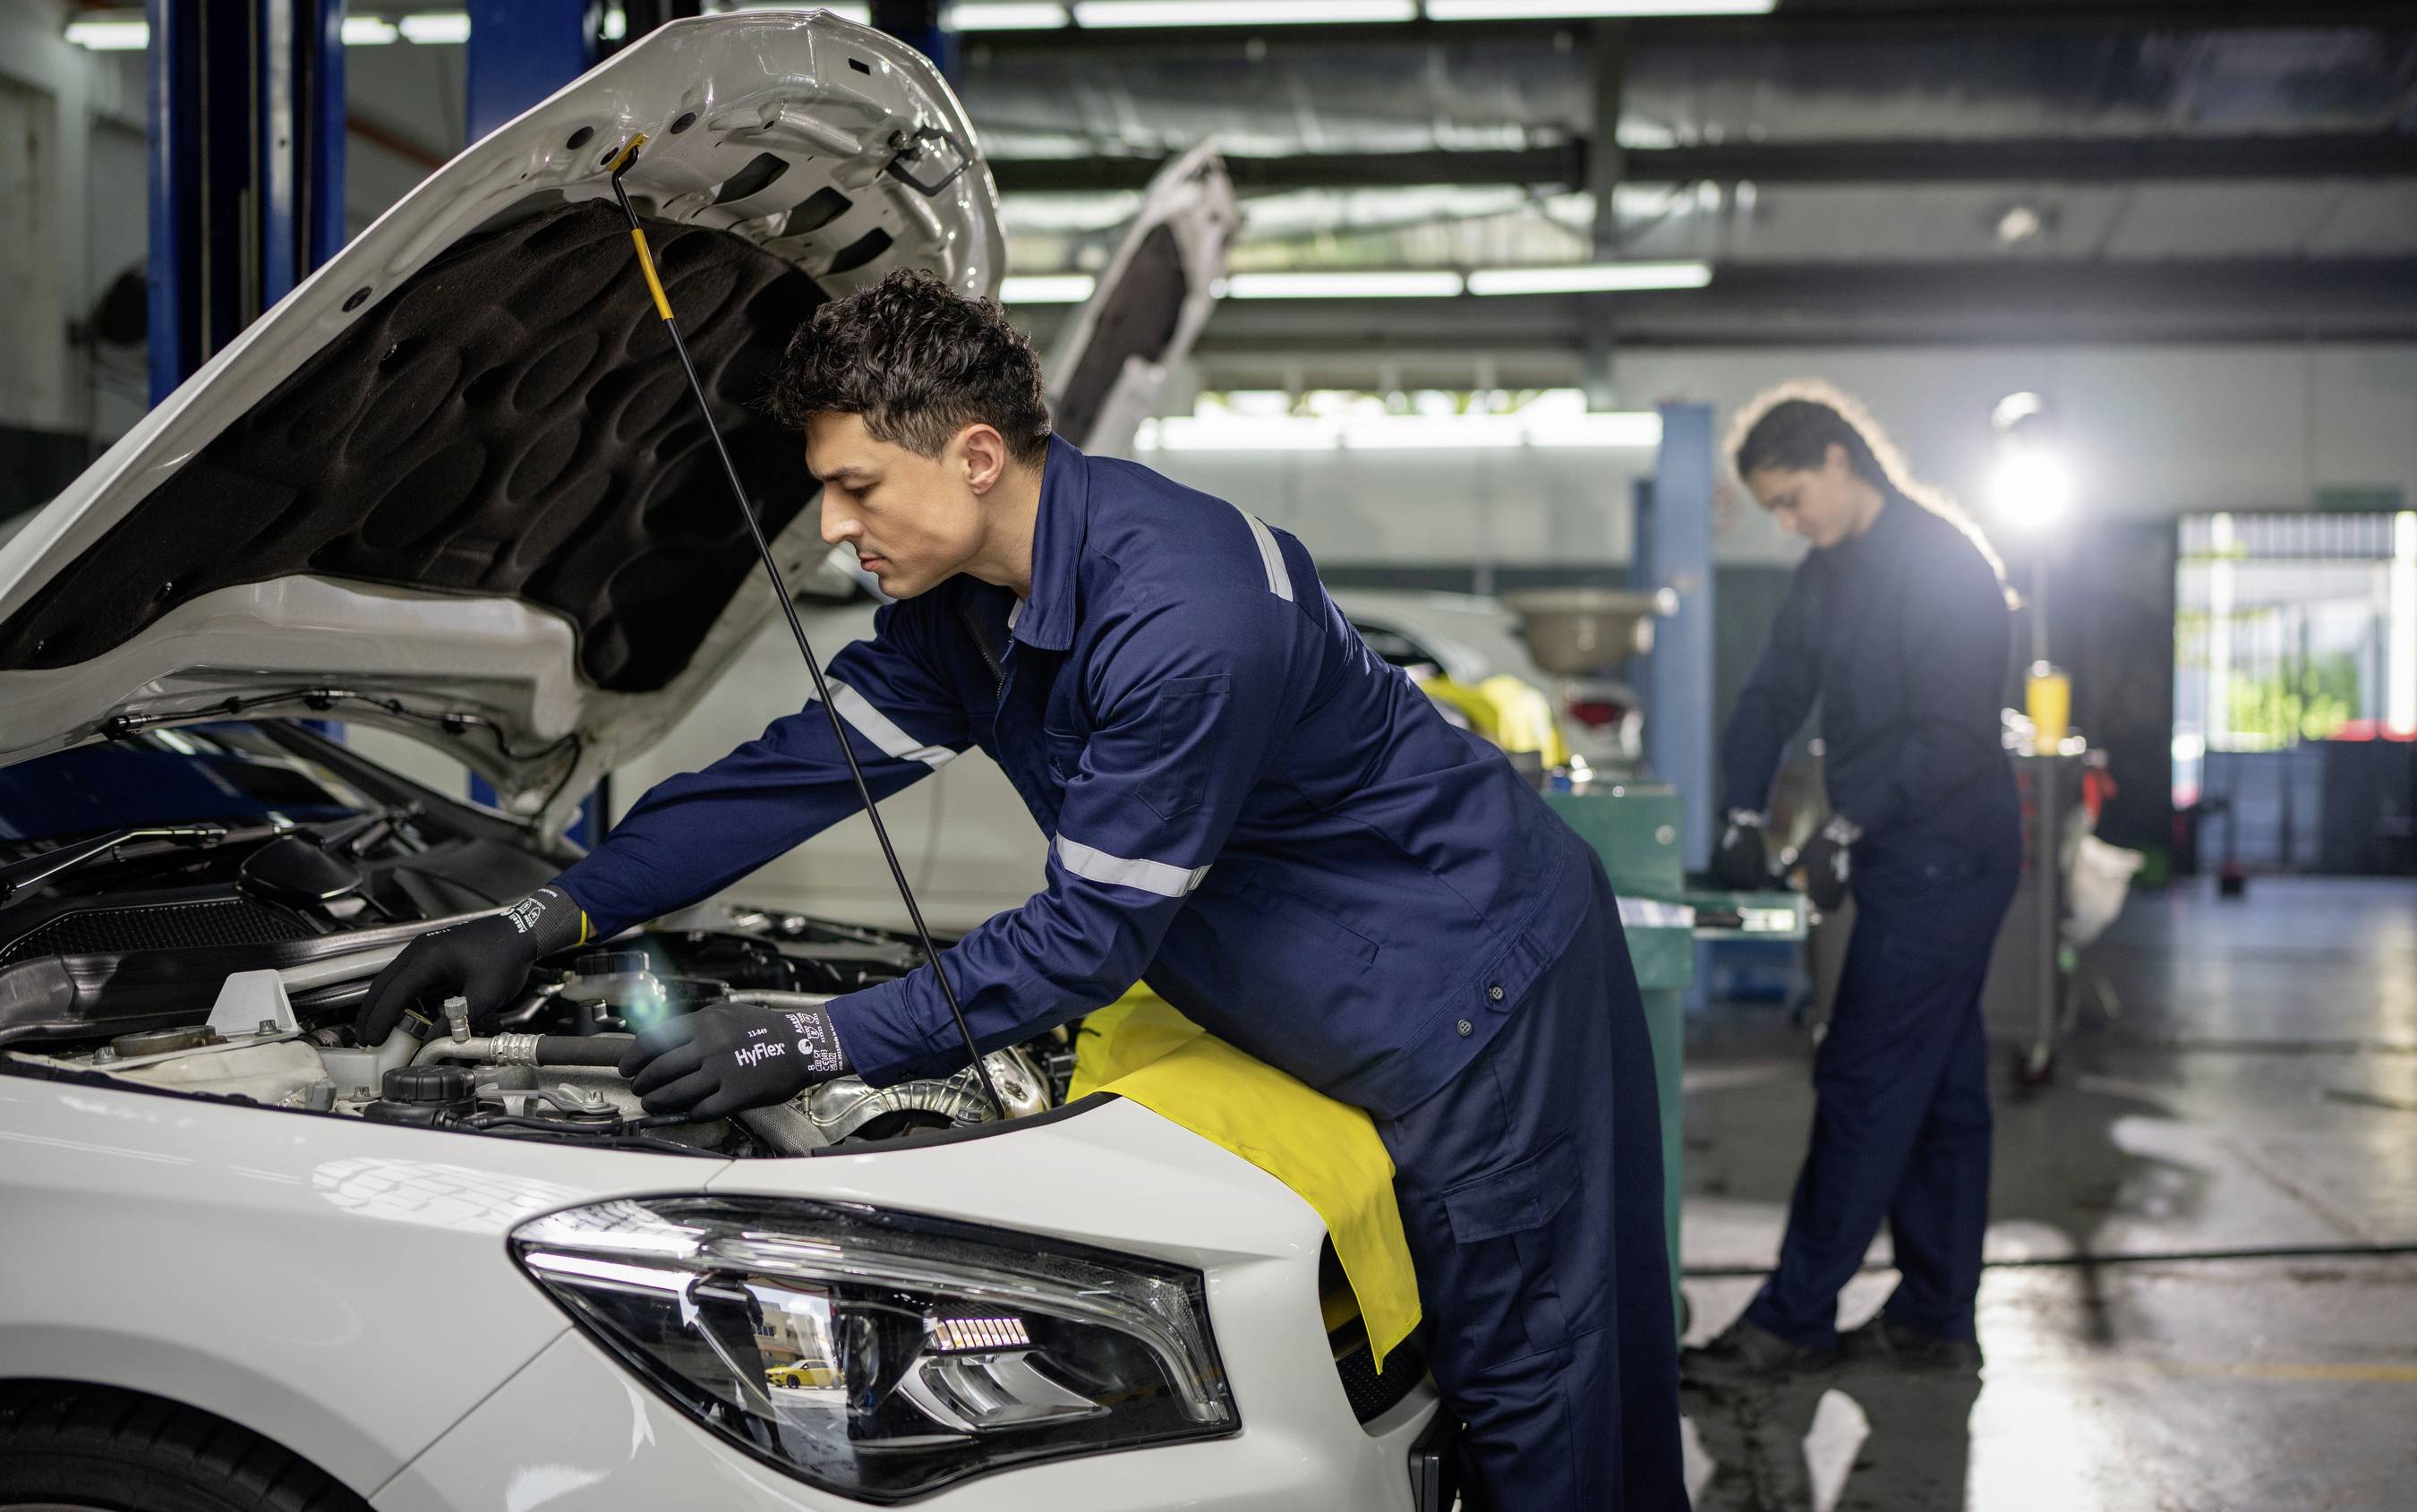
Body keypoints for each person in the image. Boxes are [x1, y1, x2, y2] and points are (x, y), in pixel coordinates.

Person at [354, 269, 1686, 1509]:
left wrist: (813, 1037)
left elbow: (1084, 939)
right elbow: (787, 775)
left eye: (858, 486)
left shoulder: (1185, 619)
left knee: (1536, 1389)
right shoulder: (966, 612)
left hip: (1474, 991)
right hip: (1319, 980)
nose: (834, 528)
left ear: (976, 456)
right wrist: (546, 914)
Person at [1687, 382, 2020, 1382]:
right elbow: (1771, 694)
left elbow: (1951, 734)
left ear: (1839, 459)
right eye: (1774, 509)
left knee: (1863, 1080)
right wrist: (1741, 811)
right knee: (1943, 1091)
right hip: (1899, 852)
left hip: (1950, 856)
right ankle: (1934, 1318)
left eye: (1791, 499)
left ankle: (1791, 1320)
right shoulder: (1830, 573)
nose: (1788, 523)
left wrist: (1846, 823)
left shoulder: (1947, 564)